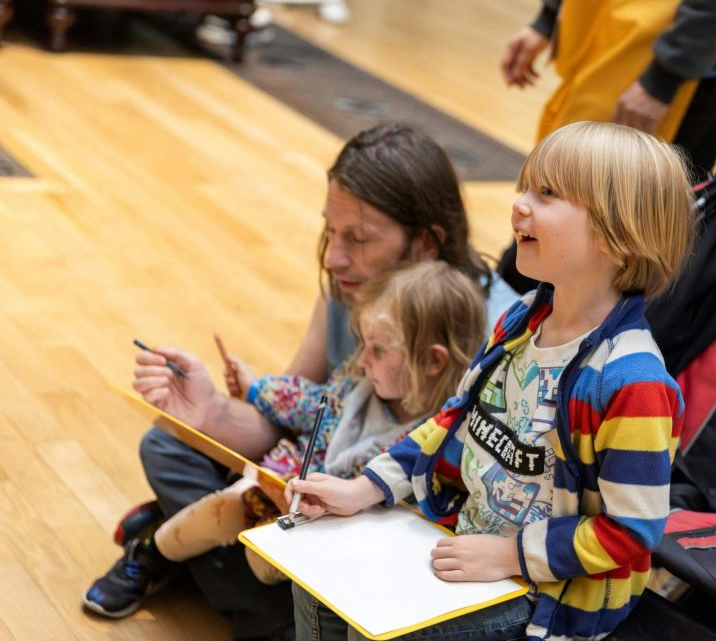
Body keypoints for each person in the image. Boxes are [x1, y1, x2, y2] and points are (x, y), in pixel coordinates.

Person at [91, 125, 519, 640]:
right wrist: (208, 410)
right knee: (167, 443)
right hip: (316, 485)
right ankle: (246, 595)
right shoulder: (348, 285)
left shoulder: (498, 335)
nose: (335, 258)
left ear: (425, 242)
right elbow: (292, 418)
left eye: (358, 237)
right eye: (331, 232)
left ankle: (185, 554)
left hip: (388, 519)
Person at [286, 121, 698, 641]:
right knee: (317, 580)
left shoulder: (632, 383)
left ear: (620, 235)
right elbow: (451, 422)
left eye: (547, 193)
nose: (520, 205)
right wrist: (363, 488)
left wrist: (510, 556)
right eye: (525, 188)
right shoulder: (521, 320)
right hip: (471, 546)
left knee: (385, 630)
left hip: (545, 597)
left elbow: (631, 532)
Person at [83, 261, 487, 619]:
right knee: (219, 506)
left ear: (433, 361)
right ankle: (151, 552)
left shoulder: (440, 437)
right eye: (363, 344)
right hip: (277, 485)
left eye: (378, 350)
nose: (363, 359)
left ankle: (183, 552)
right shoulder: (358, 384)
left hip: (332, 539)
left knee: (262, 564)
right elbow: (305, 401)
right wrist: (256, 389)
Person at [501, 0, 716, 178]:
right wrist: (549, 15)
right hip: (611, 42)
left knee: (643, 217)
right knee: (564, 186)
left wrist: (663, 80)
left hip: (679, 82)